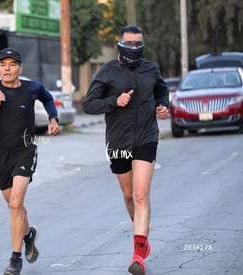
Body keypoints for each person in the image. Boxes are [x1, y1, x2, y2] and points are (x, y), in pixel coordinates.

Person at [83, 25, 169, 275]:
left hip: (146, 137)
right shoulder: (107, 70)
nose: (134, 48)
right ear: (120, 44)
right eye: (129, 44)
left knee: (141, 195)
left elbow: (161, 90)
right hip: (118, 141)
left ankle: (137, 255)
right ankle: (141, 229)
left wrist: (162, 106)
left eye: (138, 44)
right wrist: (114, 101)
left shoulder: (151, 68)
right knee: (130, 196)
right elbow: (89, 104)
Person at [0, 47, 61, 275]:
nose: (7, 68)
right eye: (2, 64)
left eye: (12, 64)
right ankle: (28, 235)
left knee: (15, 204)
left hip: (25, 150)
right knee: (15, 206)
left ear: (20, 68)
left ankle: (15, 259)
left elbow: (48, 98)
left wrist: (53, 118)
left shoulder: (32, 88)